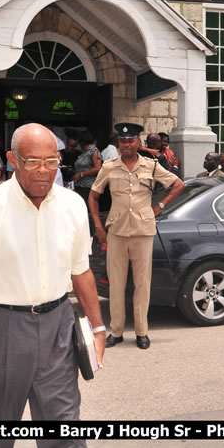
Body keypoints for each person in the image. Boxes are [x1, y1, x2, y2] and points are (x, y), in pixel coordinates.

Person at [0, 123, 106, 448]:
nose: (44, 171)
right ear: (12, 159)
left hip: (59, 326)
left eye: (52, 161)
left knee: (65, 431)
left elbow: (80, 271)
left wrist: (98, 329)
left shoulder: (72, 206)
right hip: (3, 329)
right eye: (32, 161)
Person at [89, 122, 185, 350]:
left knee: (142, 283)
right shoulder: (110, 167)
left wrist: (159, 206)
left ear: (138, 143)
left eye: (131, 140)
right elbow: (93, 196)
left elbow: (178, 184)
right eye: (122, 141)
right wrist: (98, 228)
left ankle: (142, 332)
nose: (127, 144)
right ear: (118, 144)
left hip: (143, 231)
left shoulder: (151, 167)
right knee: (116, 284)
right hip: (117, 231)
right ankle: (117, 331)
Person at [72, 131, 102, 204]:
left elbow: (98, 168)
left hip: (87, 186)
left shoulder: (94, 151)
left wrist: (81, 174)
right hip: (79, 185)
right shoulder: (84, 151)